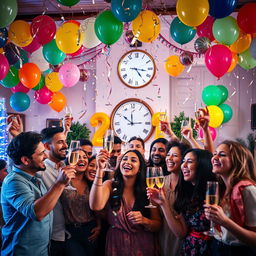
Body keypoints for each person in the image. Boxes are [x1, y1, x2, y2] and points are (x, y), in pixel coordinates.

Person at [1, 132, 75, 256]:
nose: (46, 156)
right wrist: (60, 183)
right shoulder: (13, 182)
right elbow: (37, 213)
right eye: (41, 153)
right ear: (25, 160)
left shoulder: (35, 176)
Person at [90, 149, 162, 256]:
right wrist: (100, 169)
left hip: (142, 244)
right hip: (116, 243)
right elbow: (95, 206)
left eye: (133, 160)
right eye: (124, 159)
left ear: (139, 168)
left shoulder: (148, 189)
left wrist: (144, 220)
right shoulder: (110, 185)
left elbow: (158, 225)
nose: (127, 162)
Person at [148, 148, 215, 256]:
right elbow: (181, 233)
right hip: (190, 249)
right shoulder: (187, 194)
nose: (183, 166)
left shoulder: (213, 191)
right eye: (183, 161)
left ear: (202, 165)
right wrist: (163, 203)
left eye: (189, 162)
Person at [205, 140, 256, 255]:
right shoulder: (222, 188)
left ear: (237, 161)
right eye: (214, 154)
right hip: (218, 247)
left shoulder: (248, 190)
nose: (215, 157)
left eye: (222, 154)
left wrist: (224, 221)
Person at [61, 149, 100, 256]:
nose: (81, 159)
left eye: (84, 157)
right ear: (70, 159)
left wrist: (99, 226)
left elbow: (98, 207)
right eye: (77, 157)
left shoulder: (91, 182)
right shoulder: (64, 180)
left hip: (90, 230)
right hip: (70, 231)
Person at [40, 127, 69, 256]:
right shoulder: (40, 170)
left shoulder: (65, 166)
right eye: (60, 142)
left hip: (68, 234)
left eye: (65, 141)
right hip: (50, 237)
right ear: (46, 146)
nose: (65, 146)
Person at [158, 141, 191, 256]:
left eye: (175, 155)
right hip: (162, 236)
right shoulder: (160, 182)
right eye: (168, 155)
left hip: (182, 240)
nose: (169, 158)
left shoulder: (189, 185)